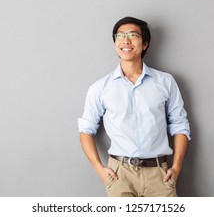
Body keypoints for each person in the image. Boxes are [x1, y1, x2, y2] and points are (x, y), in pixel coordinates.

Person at [78, 16, 191, 197]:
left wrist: (176, 167)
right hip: (119, 175)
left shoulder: (165, 82)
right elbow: (86, 129)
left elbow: (180, 125)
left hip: (159, 175)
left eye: (133, 35)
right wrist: (99, 169)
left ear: (144, 44)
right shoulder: (100, 87)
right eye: (120, 35)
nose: (125, 40)